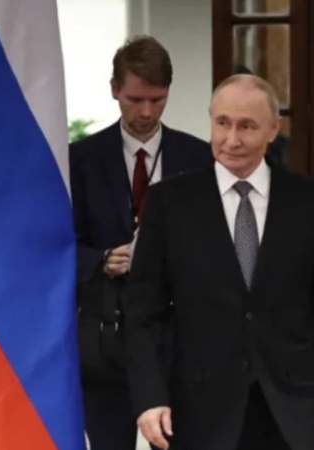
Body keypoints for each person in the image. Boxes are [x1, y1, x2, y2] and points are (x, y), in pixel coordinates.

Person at [124, 74, 314, 450]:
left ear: (273, 129)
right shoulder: (170, 203)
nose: (231, 139)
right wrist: (150, 397)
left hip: (292, 409)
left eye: (246, 126)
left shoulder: (313, 202)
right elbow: (143, 312)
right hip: (198, 410)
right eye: (222, 123)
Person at [69, 35, 212, 450]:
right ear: (114, 89)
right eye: (135, 99)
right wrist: (100, 260)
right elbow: (57, 246)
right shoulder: (81, 159)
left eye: (157, 99)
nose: (146, 112)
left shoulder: (199, 158)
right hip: (106, 340)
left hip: (180, 343)